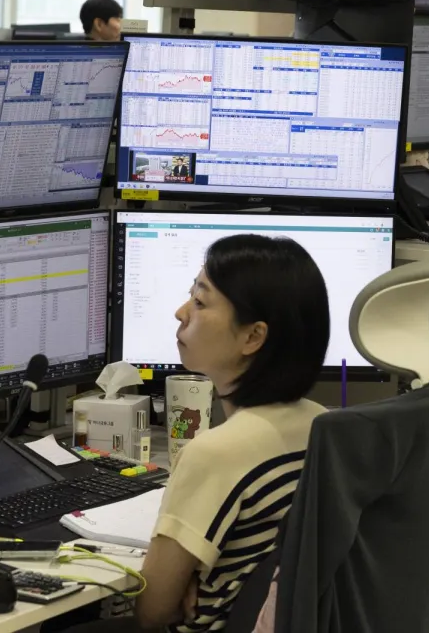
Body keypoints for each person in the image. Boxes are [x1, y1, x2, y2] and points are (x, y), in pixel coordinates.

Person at [82, 235, 330, 632]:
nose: (180, 313)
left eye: (200, 302)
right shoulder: (325, 427)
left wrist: (171, 586)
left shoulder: (216, 453)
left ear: (253, 337)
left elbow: (152, 612)